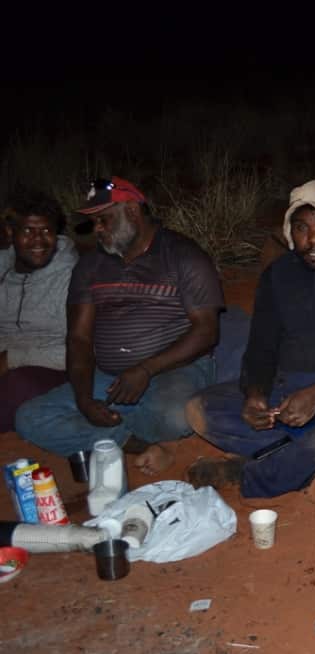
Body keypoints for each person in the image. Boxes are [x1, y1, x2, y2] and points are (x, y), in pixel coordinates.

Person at [185, 180, 315, 498]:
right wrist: (255, 393)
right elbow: (261, 347)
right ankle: (314, 458)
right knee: (198, 410)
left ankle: (255, 473)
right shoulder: (278, 275)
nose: (313, 239)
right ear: (290, 232)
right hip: (285, 393)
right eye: (302, 228)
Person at [15, 177, 222, 474]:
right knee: (30, 417)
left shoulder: (184, 256)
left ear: (133, 211)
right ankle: (130, 440)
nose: (97, 229)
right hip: (110, 375)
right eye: (94, 222)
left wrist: (145, 369)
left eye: (104, 220)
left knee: (174, 415)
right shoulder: (90, 265)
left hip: (176, 368)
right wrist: (84, 399)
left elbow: (206, 332)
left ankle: (113, 433)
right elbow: (79, 339)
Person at [0, 189, 78, 431]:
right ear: (11, 233)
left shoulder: (72, 277)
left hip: (52, 369)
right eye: (28, 231)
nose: (38, 240)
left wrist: (12, 358)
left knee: (15, 386)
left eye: (46, 231)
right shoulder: (3, 267)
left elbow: (81, 349)